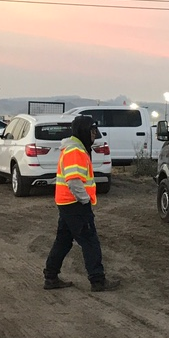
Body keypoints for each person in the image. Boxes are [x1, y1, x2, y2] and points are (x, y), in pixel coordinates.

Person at [43, 114, 120, 291]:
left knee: (63, 241)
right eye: (92, 131)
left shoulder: (75, 148)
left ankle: (51, 277)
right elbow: (73, 181)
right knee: (90, 241)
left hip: (67, 203)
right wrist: (85, 200)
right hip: (75, 204)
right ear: (84, 131)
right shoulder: (75, 151)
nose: (95, 134)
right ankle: (97, 281)